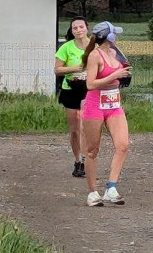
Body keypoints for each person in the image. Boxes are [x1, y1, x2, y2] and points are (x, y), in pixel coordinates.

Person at [81, 21, 132, 207]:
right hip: (95, 105)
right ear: (108, 36)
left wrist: (125, 76)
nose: (117, 37)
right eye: (115, 34)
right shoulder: (95, 55)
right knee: (92, 150)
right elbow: (90, 84)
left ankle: (111, 188)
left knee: (123, 144)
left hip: (114, 104)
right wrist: (114, 75)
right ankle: (92, 192)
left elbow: (123, 71)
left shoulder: (115, 52)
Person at [54, 17, 89, 177]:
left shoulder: (94, 47)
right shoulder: (66, 48)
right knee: (75, 129)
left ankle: (88, 160)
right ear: (72, 31)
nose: (78, 30)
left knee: (86, 128)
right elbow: (57, 70)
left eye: (81, 27)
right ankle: (78, 161)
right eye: (75, 28)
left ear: (87, 28)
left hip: (90, 90)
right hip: (71, 90)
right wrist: (75, 68)